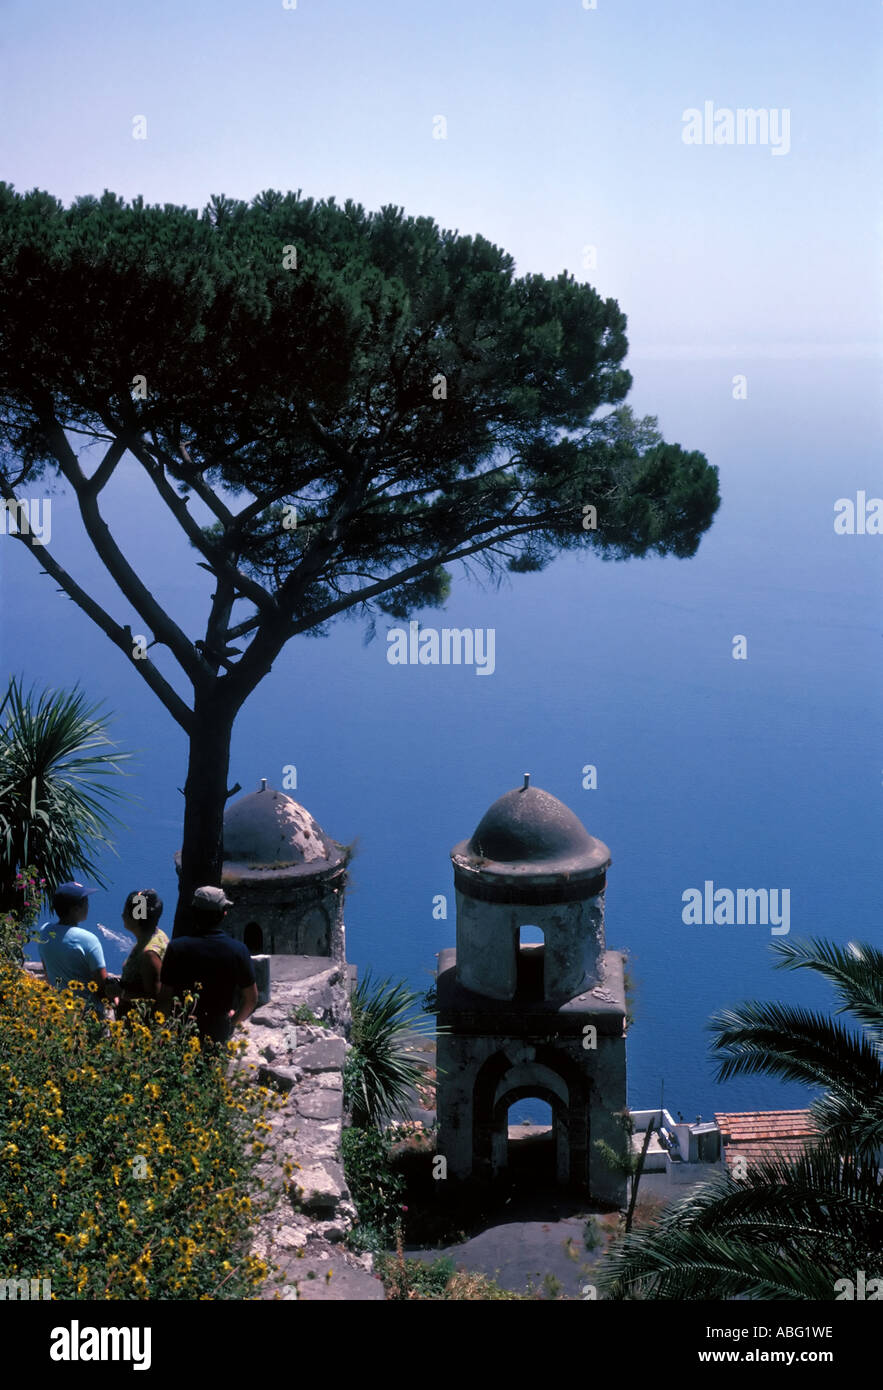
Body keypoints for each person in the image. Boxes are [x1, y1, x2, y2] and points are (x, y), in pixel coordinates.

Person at [157, 886, 257, 1046]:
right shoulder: (239, 950)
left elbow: (165, 999)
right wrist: (232, 1023)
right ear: (224, 913)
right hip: (218, 1030)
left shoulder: (176, 948)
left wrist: (161, 1032)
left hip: (182, 1028)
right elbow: (251, 999)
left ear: (194, 913)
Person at [37, 881, 109, 1015]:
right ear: (75, 909)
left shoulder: (45, 931)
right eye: (85, 901)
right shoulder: (89, 940)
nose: (88, 905)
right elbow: (102, 987)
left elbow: (48, 972)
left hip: (58, 1010)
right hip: (87, 1014)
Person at [110, 889, 168, 1017]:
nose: (122, 915)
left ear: (136, 919)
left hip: (139, 1028)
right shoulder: (156, 934)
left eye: (125, 912)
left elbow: (153, 998)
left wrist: (121, 993)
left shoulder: (149, 954)